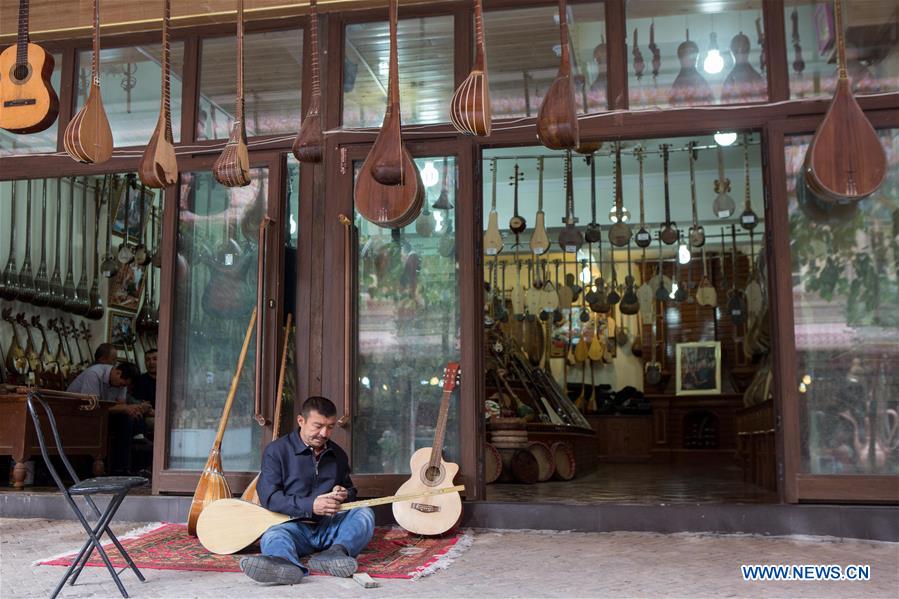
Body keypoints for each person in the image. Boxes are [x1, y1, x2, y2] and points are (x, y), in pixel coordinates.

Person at [240, 396, 374, 585]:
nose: (324, 433)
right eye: (317, 426)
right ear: (301, 421)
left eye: (330, 427)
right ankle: (285, 565)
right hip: (293, 527)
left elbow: (350, 490)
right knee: (272, 536)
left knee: (364, 513)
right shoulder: (276, 451)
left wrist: (344, 493)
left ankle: (335, 554)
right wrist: (311, 505)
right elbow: (269, 497)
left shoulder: (338, 454)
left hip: (329, 527)